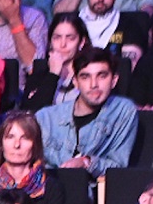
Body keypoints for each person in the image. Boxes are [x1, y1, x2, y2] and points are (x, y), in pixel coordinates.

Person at [34, 47, 138, 176]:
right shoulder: (45, 118)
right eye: (85, 77)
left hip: (92, 191)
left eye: (102, 76)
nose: (94, 84)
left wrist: (86, 162)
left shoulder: (123, 111)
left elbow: (118, 167)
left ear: (114, 81)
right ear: (76, 82)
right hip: (49, 190)